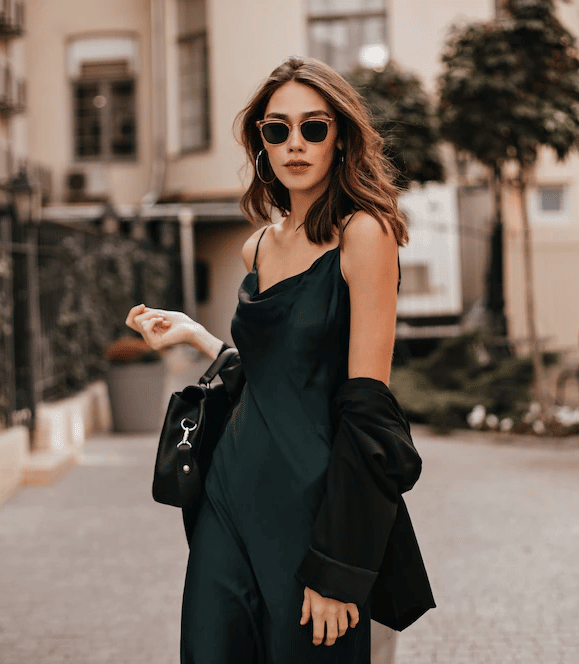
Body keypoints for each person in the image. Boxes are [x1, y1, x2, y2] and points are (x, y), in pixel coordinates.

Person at [127, 56, 433, 664]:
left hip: (312, 506)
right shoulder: (258, 247)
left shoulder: (364, 233)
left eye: (314, 128)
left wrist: (338, 563)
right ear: (262, 142)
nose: (296, 143)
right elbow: (272, 375)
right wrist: (196, 335)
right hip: (228, 496)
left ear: (340, 138)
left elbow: (368, 407)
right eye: (278, 129)